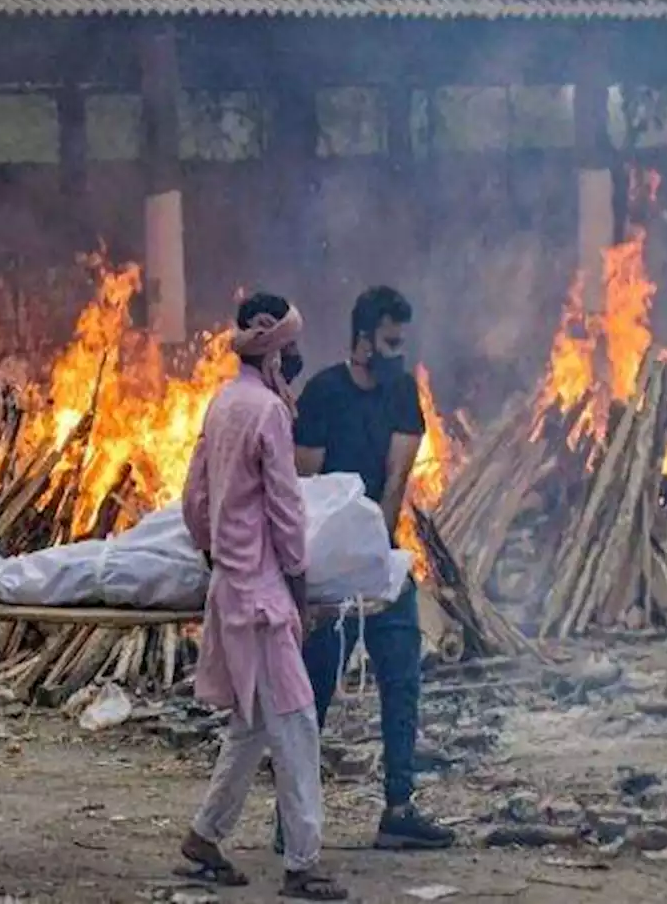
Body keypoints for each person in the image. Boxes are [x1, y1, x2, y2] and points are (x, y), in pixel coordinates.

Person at [178, 293, 348, 902]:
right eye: (293, 345)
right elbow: (286, 509)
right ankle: (303, 863)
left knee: (252, 723)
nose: (298, 355)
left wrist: (216, 553)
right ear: (274, 345)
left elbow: (193, 499)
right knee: (297, 722)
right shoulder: (270, 413)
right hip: (265, 595)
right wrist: (299, 587)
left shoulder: (223, 403)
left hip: (232, 584)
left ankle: (205, 836)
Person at [290, 286, 454, 850]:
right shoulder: (322, 394)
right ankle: (293, 815)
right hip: (329, 568)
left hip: (378, 559)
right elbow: (306, 492)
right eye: (388, 342)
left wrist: (377, 549)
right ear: (362, 341)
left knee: (402, 678)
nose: (396, 353)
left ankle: (399, 807)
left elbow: (396, 479)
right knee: (314, 692)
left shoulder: (403, 392)